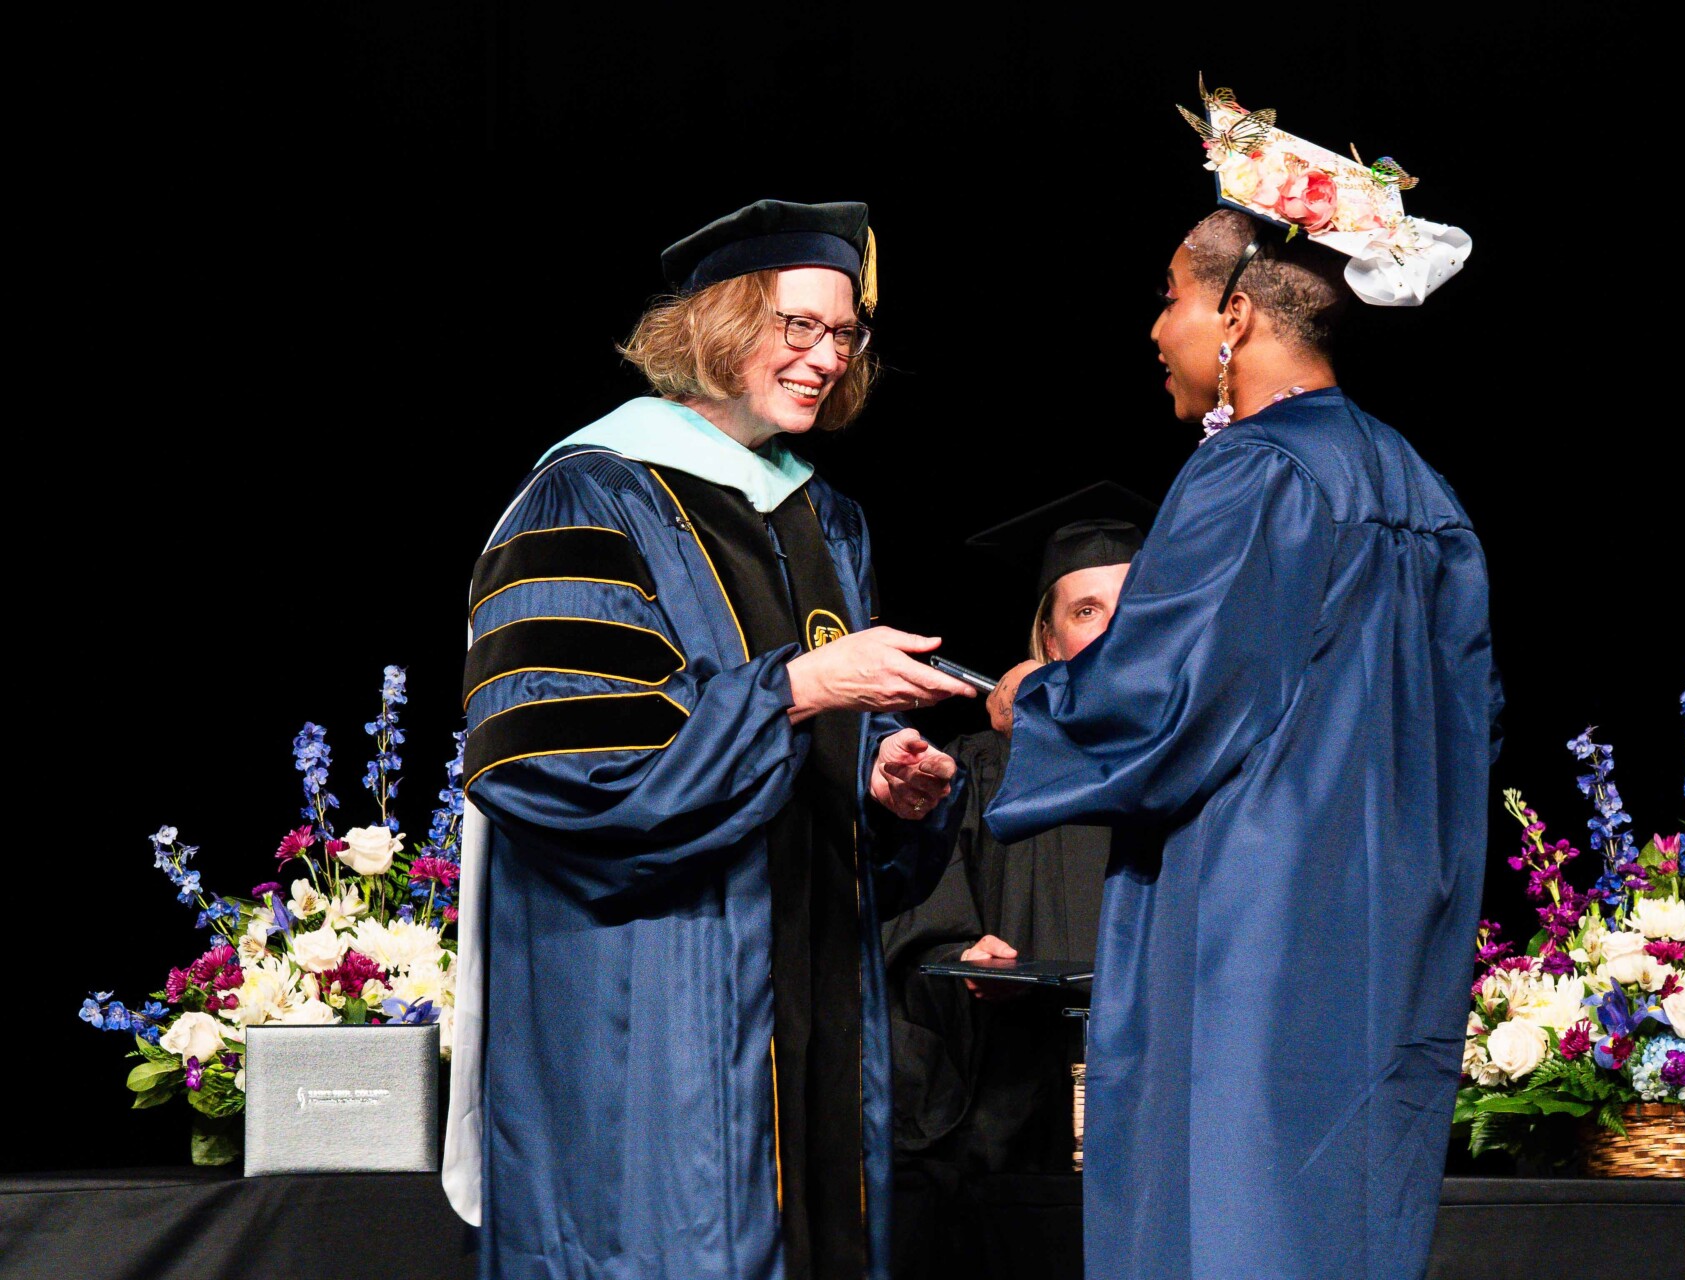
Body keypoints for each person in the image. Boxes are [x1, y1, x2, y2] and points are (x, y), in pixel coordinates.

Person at [984, 95, 1499, 1280]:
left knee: (1225, 1214)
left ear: (1238, 311)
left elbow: (1168, 698)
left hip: (1252, 923)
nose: (1156, 326)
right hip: (1391, 914)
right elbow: (1470, 716)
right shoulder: (1417, 483)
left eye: (1171, 297)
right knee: (1345, 1216)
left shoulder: (1251, 470)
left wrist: (1031, 704)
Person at [442, 199, 978, 1280]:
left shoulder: (828, 520)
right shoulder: (589, 492)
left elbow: (809, 745)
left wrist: (880, 780)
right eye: (798, 326)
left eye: (844, 333)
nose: (826, 357)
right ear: (721, 324)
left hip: (811, 992)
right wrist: (797, 690)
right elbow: (560, 767)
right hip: (653, 999)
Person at [884, 485, 1153, 1280]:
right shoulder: (975, 766)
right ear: (1045, 635)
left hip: (1162, 1099)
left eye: (1135, 604)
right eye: (1086, 610)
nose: (1114, 628)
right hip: (1004, 1110)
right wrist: (965, 947)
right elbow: (907, 907)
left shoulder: (1201, 770)